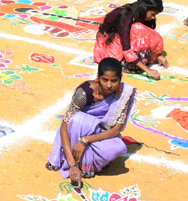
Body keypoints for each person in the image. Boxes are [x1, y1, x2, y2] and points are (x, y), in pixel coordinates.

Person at [48, 58, 138, 186]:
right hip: (76, 131)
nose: (109, 85)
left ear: (120, 79)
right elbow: (64, 126)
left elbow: (115, 130)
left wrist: (85, 140)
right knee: (79, 119)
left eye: (114, 81)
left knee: (118, 147)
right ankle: (75, 161)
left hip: (96, 135)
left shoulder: (124, 95)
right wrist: (72, 165)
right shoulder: (84, 93)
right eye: (105, 80)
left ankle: (86, 162)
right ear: (98, 77)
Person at [93, 0, 166, 80]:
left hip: (121, 38)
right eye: (153, 14)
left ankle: (136, 61)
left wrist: (158, 54)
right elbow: (126, 49)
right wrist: (147, 70)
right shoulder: (125, 17)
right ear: (144, 9)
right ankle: (130, 63)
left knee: (142, 30)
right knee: (137, 28)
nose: (153, 18)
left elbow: (149, 36)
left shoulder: (140, 15)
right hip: (108, 42)